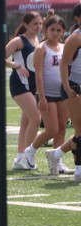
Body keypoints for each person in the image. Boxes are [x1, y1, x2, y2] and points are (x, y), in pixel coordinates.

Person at [45, 5, 81, 181]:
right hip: (74, 86)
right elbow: (64, 63)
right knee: (80, 129)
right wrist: (67, 87)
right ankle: (79, 171)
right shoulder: (75, 38)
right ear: (77, 18)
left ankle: (57, 154)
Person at [32, 15, 70, 174]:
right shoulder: (41, 49)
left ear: (63, 31)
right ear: (46, 30)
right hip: (47, 94)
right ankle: (30, 150)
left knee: (62, 128)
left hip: (63, 93)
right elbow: (39, 74)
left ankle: (57, 161)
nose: (55, 33)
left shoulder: (65, 47)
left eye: (59, 30)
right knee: (52, 129)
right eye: (52, 29)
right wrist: (41, 96)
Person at [6, 12, 42, 170]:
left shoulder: (38, 40)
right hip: (19, 84)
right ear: (26, 24)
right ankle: (28, 157)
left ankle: (20, 158)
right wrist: (16, 66)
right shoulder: (19, 41)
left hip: (32, 85)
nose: (38, 27)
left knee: (26, 123)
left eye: (40, 24)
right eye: (35, 23)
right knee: (36, 119)